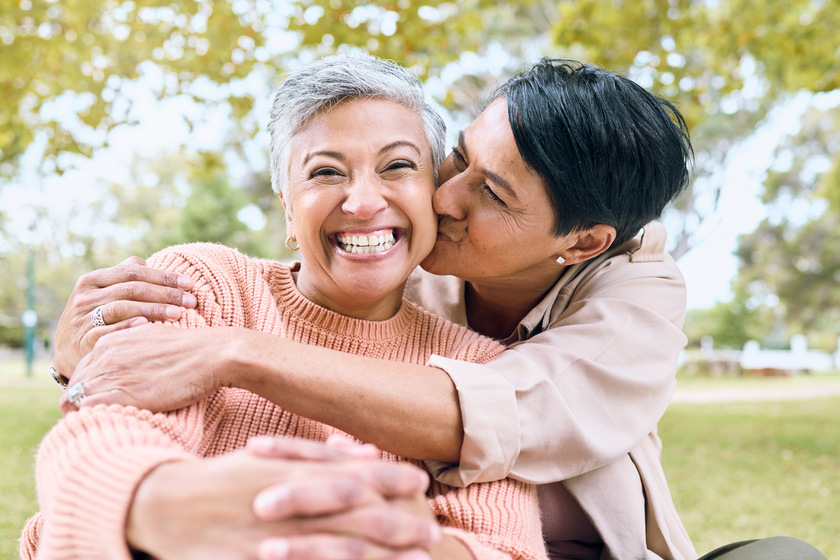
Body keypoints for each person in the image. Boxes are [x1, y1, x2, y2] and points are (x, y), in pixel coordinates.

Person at [46, 58, 827, 560]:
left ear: (581, 241)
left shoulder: (626, 300)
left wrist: (233, 352)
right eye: (456, 161)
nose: (444, 198)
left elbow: (495, 427)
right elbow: (106, 430)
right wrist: (149, 485)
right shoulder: (225, 281)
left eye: (490, 193)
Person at [21, 52, 548, 560]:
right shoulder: (206, 283)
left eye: (397, 166)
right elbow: (104, 435)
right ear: (289, 212)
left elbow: (505, 547)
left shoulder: (475, 367)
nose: (364, 203)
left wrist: (397, 538)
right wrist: (180, 506)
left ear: (433, 194)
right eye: (326, 173)